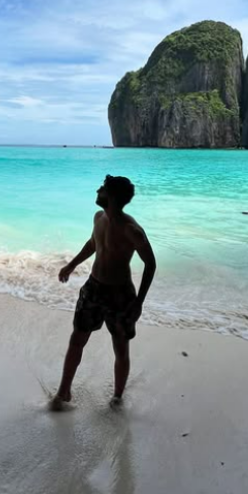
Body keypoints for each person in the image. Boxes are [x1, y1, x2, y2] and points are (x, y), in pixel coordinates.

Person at [50, 175, 156, 410]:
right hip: (93, 288)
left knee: (120, 347)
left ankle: (117, 397)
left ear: (112, 196)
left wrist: (139, 301)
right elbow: (93, 244)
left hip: (120, 295)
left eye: (102, 189)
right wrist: (72, 265)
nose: (97, 190)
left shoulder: (132, 230)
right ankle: (63, 391)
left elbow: (151, 264)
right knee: (77, 339)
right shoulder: (99, 217)